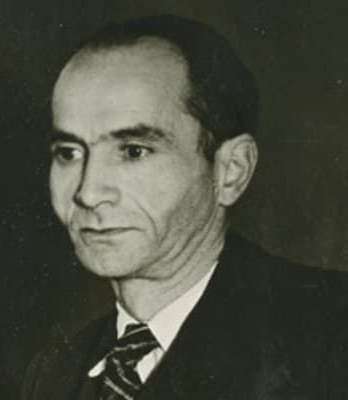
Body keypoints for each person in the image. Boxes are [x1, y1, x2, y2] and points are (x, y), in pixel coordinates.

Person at [21, 15, 346, 400]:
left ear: (230, 171)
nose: (88, 193)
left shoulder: (331, 338)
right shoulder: (55, 374)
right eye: (68, 153)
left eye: (133, 151)